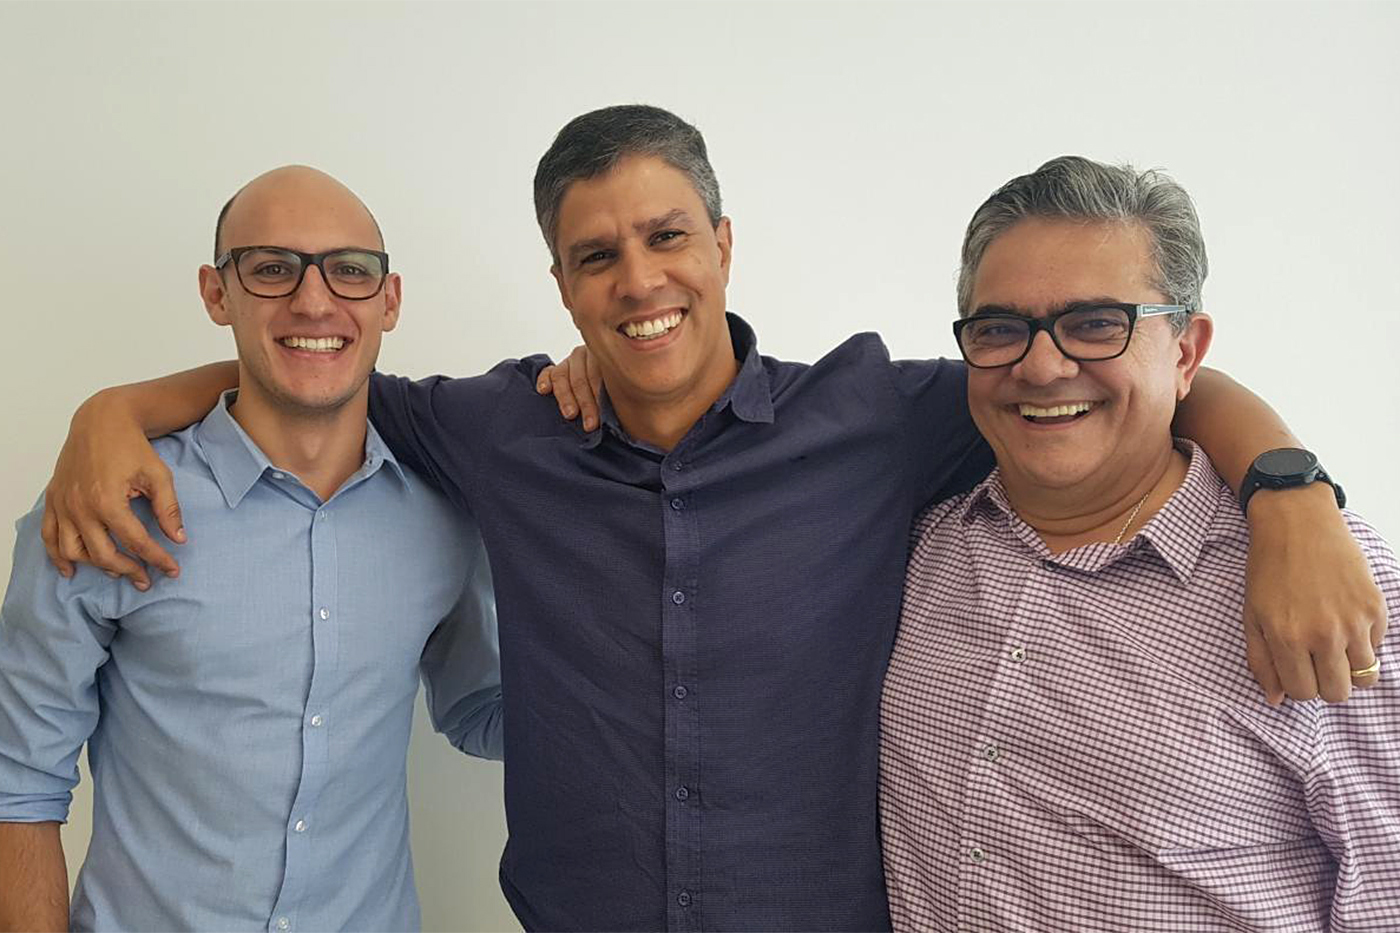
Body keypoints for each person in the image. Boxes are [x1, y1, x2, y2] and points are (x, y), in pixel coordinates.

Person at [36, 107, 1387, 931]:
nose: (640, 279)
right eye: (596, 253)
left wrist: (1285, 486)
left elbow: (1091, 379)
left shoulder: (874, 420)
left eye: (667, 236)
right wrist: (116, 406)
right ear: (561, 283)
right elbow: (310, 367)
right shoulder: (503, 429)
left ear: (724, 246)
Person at [880, 156, 1398, 930]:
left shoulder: (1334, 589)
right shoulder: (918, 546)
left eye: (1097, 324)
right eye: (1000, 329)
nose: (1043, 365)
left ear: (1186, 351)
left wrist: (1294, 493)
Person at [0, 166, 504, 932]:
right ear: (216, 292)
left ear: (389, 299)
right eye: (271, 268)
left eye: (349, 270)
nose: (313, 299)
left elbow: (479, 711)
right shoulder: (105, 504)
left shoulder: (444, 515)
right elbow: (17, 784)